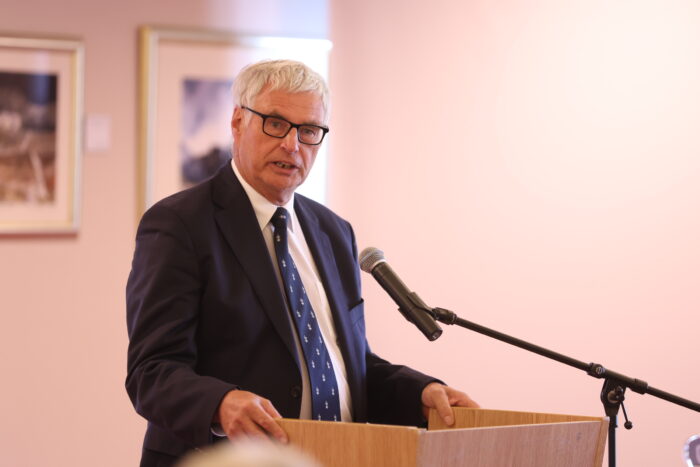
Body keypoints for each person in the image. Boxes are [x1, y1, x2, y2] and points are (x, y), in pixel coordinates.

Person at [126, 59, 478, 467]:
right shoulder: (181, 224)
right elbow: (152, 370)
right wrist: (220, 402)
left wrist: (420, 393)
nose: (292, 145)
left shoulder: (333, 232)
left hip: (335, 457)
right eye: (275, 124)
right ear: (238, 122)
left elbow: (348, 368)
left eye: (309, 131)